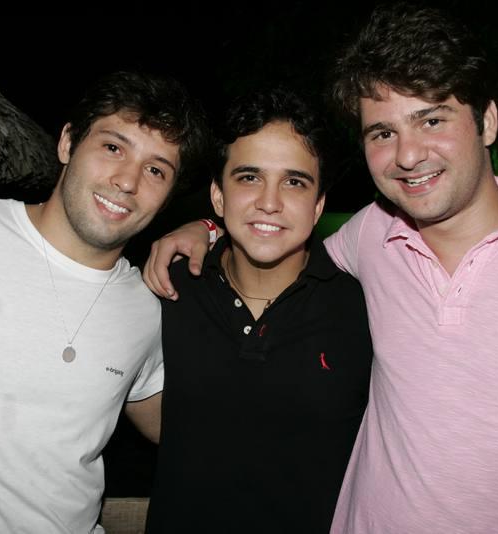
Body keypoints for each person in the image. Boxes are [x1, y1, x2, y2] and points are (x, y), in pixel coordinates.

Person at [142, 4, 498, 532]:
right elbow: (274, 231)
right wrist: (207, 228)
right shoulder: (372, 235)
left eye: (431, 120)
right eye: (382, 133)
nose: (408, 155)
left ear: (487, 121)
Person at [0, 70, 208, 533]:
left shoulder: (146, 308)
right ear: (67, 143)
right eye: (113, 147)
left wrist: (218, 230)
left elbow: (181, 429)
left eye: (155, 170)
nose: (128, 181)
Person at [145, 88, 373, 534]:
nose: (270, 201)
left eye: (294, 182)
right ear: (218, 196)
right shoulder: (167, 289)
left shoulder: (364, 309)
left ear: (318, 205)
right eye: (249, 177)